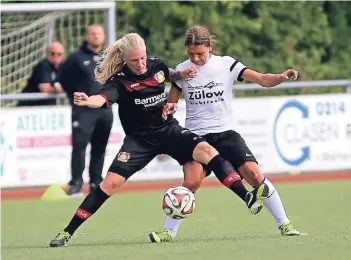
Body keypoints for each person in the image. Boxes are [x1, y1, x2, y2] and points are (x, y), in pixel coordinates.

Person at [49, 32, 267, 248]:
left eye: (143, 57)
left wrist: (181, 76)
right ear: (124, 59)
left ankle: (246, 197)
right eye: (134, 60)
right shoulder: (119, 81)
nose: (141, 64)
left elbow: (171, 75)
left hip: (168, 130)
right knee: (109, 184)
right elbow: (103, 98)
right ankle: (67, 232)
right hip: (139, 141)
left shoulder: (157, 66)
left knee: (207, 151)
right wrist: (89, 101)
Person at [149, 25, 300, 243]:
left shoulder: (227, 65)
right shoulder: (181, 71)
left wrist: (281, 76)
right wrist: (168, 109)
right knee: (191, 182)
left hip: (226, 133)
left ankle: (284, 223)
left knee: (255, 176)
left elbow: (262, 79)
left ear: (210, 47)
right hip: (196, 138)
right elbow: (171, 102)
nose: (196, 58)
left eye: (200, 53)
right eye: (191, 54)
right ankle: (168, 232)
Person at [58, 24, 112, 196]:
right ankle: (76, 183)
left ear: (103, 36)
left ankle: (96, 182)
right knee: (79, 146)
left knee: (100, 147)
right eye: (93, 34)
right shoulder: (76, 58)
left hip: (104, 109)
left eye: (99, 34)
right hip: (83, 110)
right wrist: (74, 97)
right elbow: (62, 78)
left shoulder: (109, 57)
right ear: (87, 36)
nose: (96, 37)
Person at [17, 41, 64, 107]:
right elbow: (45, 89)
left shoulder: (63, 67)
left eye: (59, 54)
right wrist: (59, 89)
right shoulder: (43, 66)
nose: (56, 56)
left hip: (46, 107)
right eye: (53, 53)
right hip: (29, 107)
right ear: (47, 54)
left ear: (63, 56)